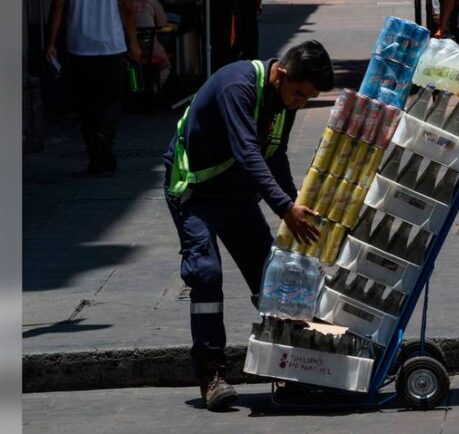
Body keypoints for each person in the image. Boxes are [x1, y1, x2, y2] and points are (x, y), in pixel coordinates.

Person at [163, 40, 334, 411]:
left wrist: (294, 204)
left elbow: (276, 154)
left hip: (236, 194)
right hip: (195, 191)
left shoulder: (283, 102)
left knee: (271, 279)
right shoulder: (237, 85)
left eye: (307, 98)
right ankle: (211, 372)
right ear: (281, 74)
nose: (299, 104)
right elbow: (247, 152)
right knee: (205, 274)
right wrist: (285, 207)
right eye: (299, 94)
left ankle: (285, 368)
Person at [46, 0, 141, 174]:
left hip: (79, 46)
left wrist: (51, 43)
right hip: (112, 45)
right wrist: (134, 42)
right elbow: (127, 8)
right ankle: (105, 137)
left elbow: (58, 5)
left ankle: (95, 150)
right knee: (112, 99)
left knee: (86, 103)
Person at [134, 0, 172, 90]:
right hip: (149, 47)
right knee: (166, 65)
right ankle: (155, 89)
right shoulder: (152, 2)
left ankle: (135, 88)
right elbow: (162, 23)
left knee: (132, 66)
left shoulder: (124, 3)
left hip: (130, 48)